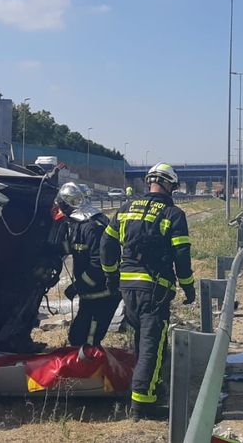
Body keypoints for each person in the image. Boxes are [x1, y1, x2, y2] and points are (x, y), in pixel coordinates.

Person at [101, 162, 195, 419]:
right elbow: (181, 255)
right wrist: (188, 286)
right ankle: (142, 405)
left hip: (127, 287)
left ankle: (150, 387)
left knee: (141, 342)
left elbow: (106, 245)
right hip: (154, 289)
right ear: (168, 184)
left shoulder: (125, 209)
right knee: (152, 345)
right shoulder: (172, 214)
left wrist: (111, 276)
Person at [55, 183, 121, 348]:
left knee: (87, 341)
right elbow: (72, 249)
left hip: (103, 294)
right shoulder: (81, 224)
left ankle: (90, 372)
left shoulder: (91, 227)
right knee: (77, 337)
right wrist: (60, 235)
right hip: (91, 295)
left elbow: (98, 266)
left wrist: (78, 286)